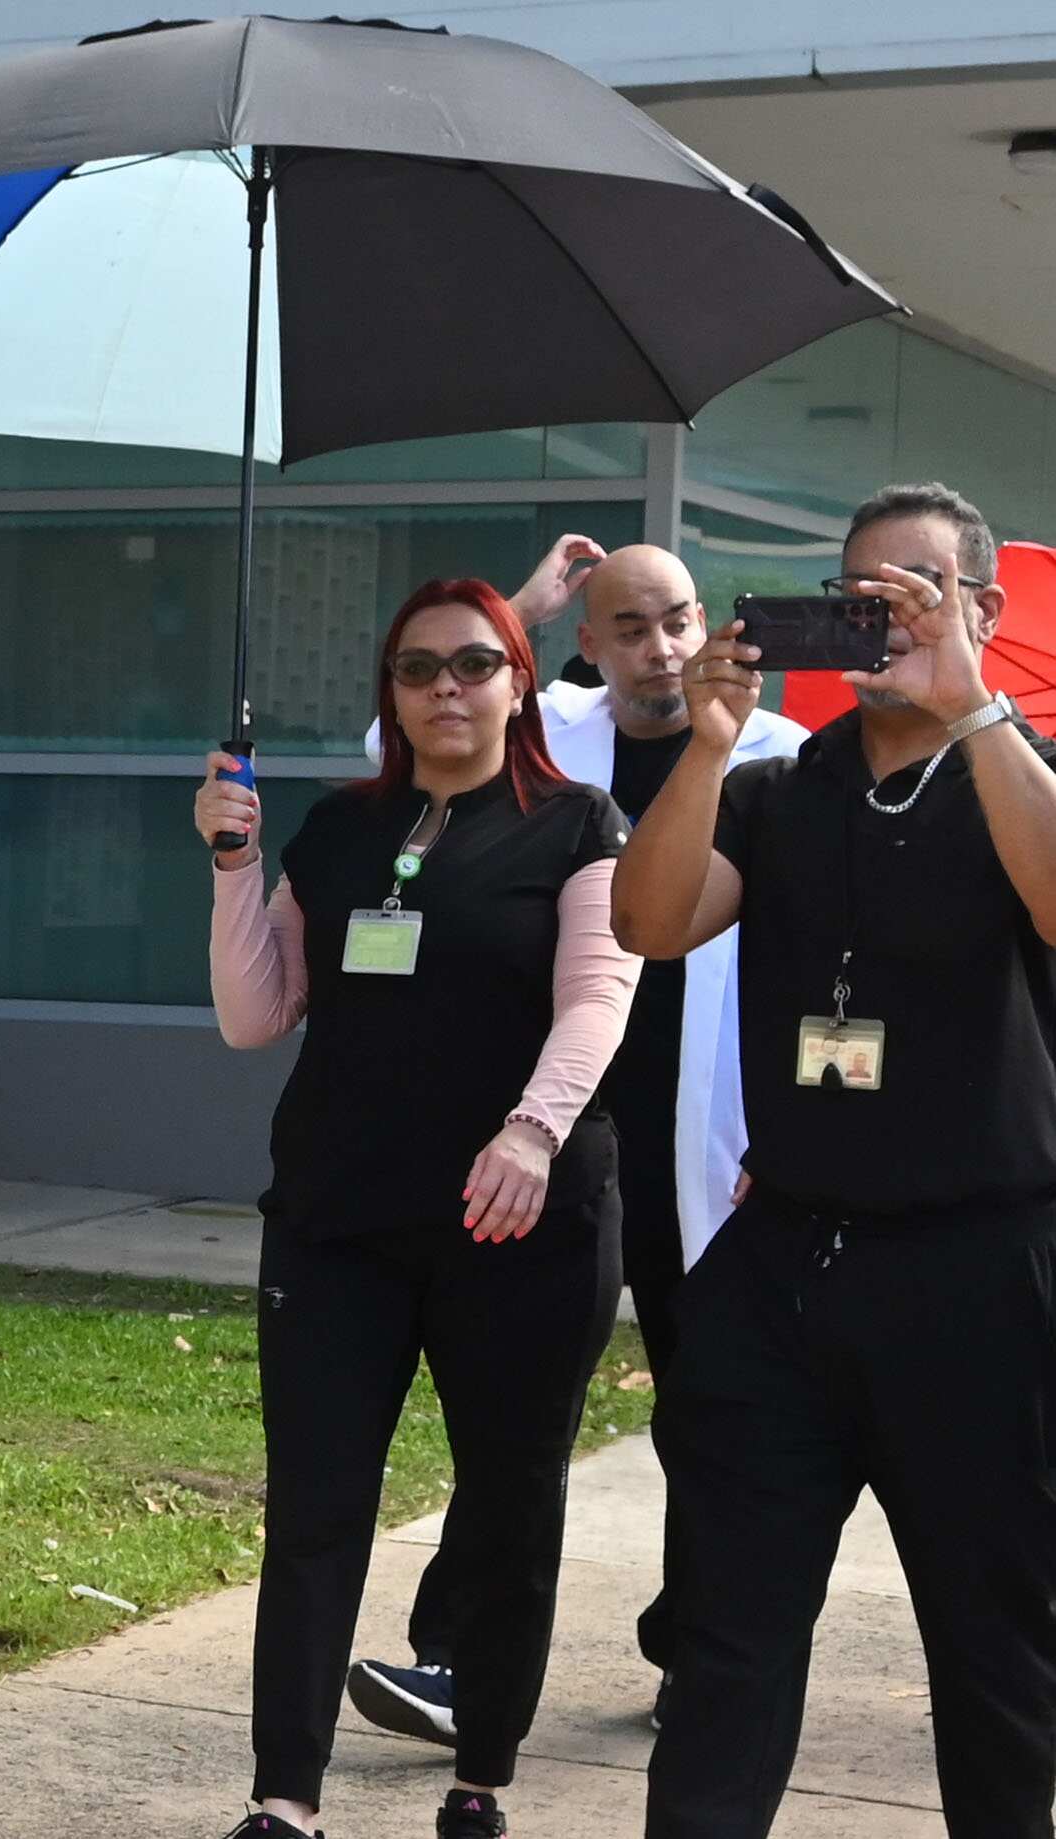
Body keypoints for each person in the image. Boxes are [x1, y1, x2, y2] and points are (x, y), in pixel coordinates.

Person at [616, 483, 1056, 1839]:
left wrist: (974, 701)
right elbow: (649, 921)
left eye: (915, 589)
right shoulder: (772, 785)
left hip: (977, 1271)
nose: (882, 613)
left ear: (976, 609)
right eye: (859, 589)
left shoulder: (1009, 770)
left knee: (992, 1653)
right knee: (725, 1645)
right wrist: (698, 743)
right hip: (784, 1267)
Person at [200, 578, 640, 1839]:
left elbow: (595, 1001)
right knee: (316, 1503)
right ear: (388, 691)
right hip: (339, 1215)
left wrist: (531, 1130)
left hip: (517, 1222)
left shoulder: (577, 825)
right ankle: (284, 1797)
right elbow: (251, 1014)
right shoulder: (339, 833)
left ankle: (480, 1778)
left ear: (516, 678)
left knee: (509, 1501)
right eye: (415, 668)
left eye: (471, 664)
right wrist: (233, 861)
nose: (444, 688)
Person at [347, 540, 807, 1746]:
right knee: (518, 1417)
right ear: (586, 645)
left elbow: (811, 947)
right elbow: (390, 756)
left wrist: (791, 1126)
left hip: (711, 1145)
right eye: (629, 628)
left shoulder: (773, 753)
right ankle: (454, 1658)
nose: (662, 649)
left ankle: (694, 1654)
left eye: (679, 621)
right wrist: (525, 607)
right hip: (561, 1141)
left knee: (710, 1413)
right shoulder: (552, 735)